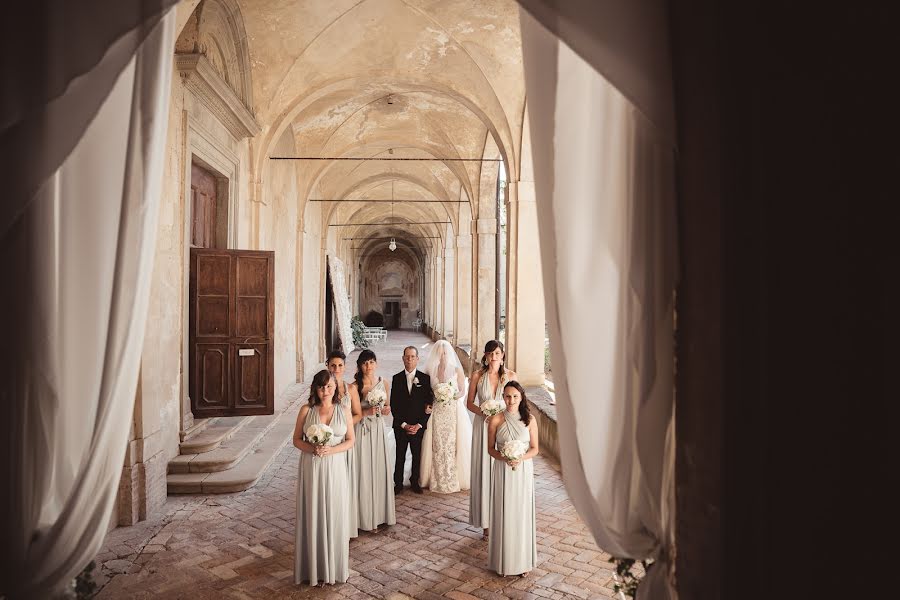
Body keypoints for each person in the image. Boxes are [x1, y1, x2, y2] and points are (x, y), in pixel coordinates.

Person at [293, 370, 355, 587]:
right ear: (315, 389)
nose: (325, 391)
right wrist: (312, 448)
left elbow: (350, 441)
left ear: (335, 387)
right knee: (313, 512)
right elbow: (296, 440)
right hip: (312, 467)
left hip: (335, 466)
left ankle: (334, 567)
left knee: (334, 512)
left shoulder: (344, 410)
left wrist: (332, 450)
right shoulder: (305, 410)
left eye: (329, 386)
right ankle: (312, 568)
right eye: (321, 387)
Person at [486, 381, 538, 577]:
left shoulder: (530, 420)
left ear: (521, 397)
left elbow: (535, 448)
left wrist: (519, 458)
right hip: (502, 470)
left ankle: (522, 563)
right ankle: (504, 561)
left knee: (521, 514)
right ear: (503, 396)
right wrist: (505, 457)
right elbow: (490, 448)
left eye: (515, 396)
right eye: (507, 396)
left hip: (523, 471)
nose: (511, 400)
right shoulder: (496, 420)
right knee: (504, 512)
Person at [466, 340, 517, 540]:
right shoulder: (478, 376)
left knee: (501, 470)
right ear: (485, 356)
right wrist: (485, 413)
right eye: (490, 353)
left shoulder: (511, 376)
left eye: (497, 353)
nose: (494, 357)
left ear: (503, 355)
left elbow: (518, 401)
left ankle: (502, 518)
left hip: (504, 427)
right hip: (483, 425)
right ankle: (486, 524)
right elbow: (469, 403)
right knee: (484, 471)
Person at [350, 349, 396, 532]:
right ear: (360, 366)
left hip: (378, 430)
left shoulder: (383, 382)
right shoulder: (354, 386)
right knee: (364, 471)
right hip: (363, 431)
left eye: (371, 362)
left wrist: (386, 410)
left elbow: (387, 407)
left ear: (376, 363)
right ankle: (365, 518)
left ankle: (380, 515)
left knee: (378, 470)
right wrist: (366, 412)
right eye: (365, 363)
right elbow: (353, 414)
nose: (368, 366)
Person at [419, 339, 472, 493]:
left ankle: (452, 477)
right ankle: (435, 477)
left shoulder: (456, 370)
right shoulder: (430, 370)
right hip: (437, 411)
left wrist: (453, 395)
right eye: (440, 353)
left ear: (449, 354)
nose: (443, 356)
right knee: (437, 443)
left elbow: (462, 390)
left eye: (445, 353)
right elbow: (426, 392)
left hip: (453, 411)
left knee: (452, 443)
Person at [327, 350, 362, 539]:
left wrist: (343, 428)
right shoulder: (322, 387)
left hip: (345, 441)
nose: (336, 369)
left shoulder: (351, 389)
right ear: (327, 366)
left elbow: (358, 413)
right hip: (329, 441)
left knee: (346, 482)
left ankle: (347, 526)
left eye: (340, 365)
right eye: (333, 365)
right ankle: (332, 523)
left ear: (345, 367)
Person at [390, 346, 434, 494]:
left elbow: (429, 404)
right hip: (401, 426)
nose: (409, 359)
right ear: (403, 358)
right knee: (400, 454)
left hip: (418, 426)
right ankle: (398, 483)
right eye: (407, 356)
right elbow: (394, 405)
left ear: (417, 359)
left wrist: (419, 424)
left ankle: (414, 481)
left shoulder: (425, 379)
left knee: (417, 455)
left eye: (412, 356)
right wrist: (403, 424)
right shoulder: (396, 379)